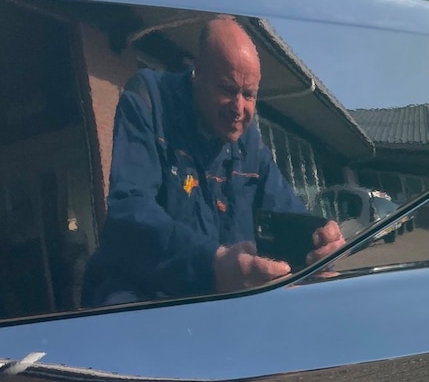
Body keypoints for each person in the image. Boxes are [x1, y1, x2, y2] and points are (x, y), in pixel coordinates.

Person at [83, 16, 343, 305]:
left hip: (227, 305)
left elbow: (287, 216)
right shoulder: (150, 101)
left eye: (249, 95)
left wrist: (319, 242)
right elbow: (129, 211)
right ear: (197, 72)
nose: (239, 108)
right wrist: (214, 264)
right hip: (149, 300)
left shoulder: (249, 143)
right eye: (227, 89)